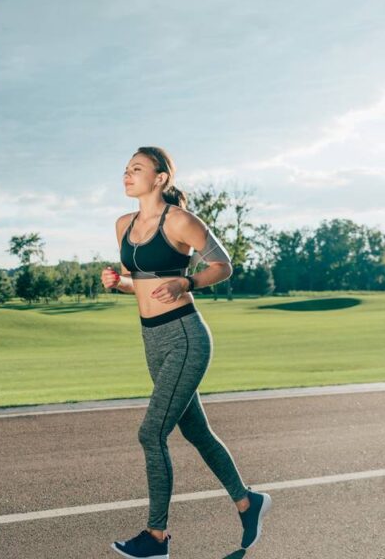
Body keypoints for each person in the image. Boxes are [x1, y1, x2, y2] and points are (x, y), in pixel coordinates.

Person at [102, 147, 271, 558]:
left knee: (151, 433)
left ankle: (156, 537)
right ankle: (248, 503)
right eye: (126, 169)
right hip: (152, 340)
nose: (127, 175)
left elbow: (223, 265)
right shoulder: (123, 224)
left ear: (160, 178)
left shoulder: (179, 220)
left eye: (137, 169)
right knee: (195, 430)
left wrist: (188, 283)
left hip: (185, 336)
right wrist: (117, 283)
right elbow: (140, 284)